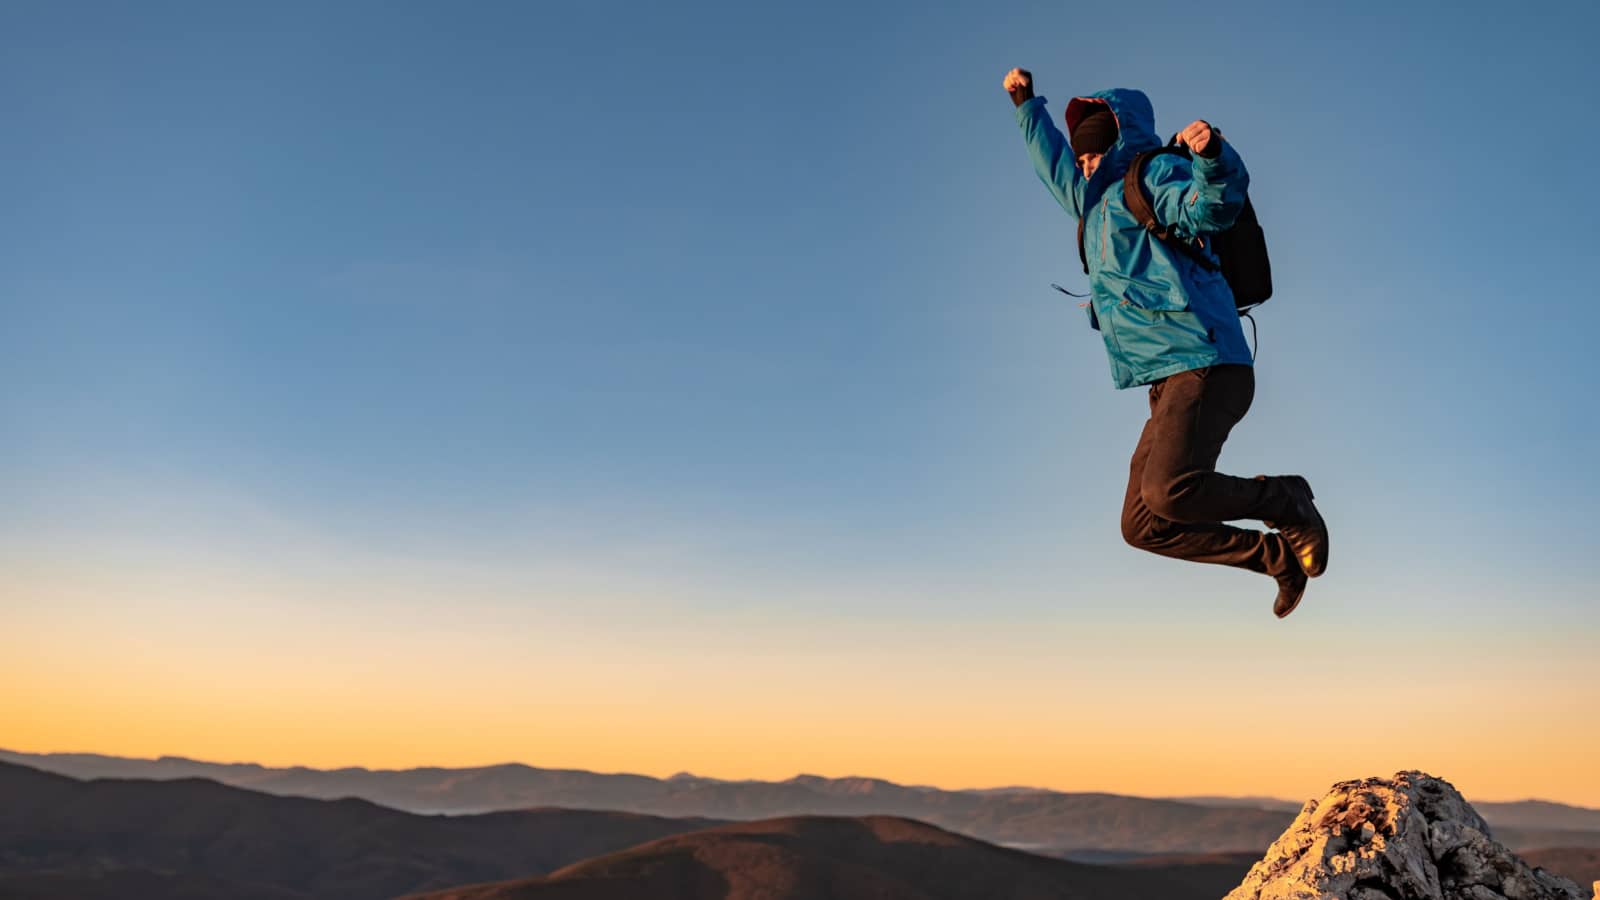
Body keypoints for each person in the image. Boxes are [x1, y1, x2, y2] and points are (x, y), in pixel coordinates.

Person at [1002, 67, 1329, 618]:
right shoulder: (1091, 202)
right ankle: (1272, 556)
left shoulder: (1153, 177)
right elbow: (1050, 165)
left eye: (1091, 153)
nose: (1081, 165)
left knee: (1168, 490)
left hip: (1206, 360)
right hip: (1166, 378)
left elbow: (1209, 207)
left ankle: (1287, 499)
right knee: (1143, 524)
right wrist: (1025, 106)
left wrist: (1213, 159)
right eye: (1079, 159)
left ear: (1113, 145)